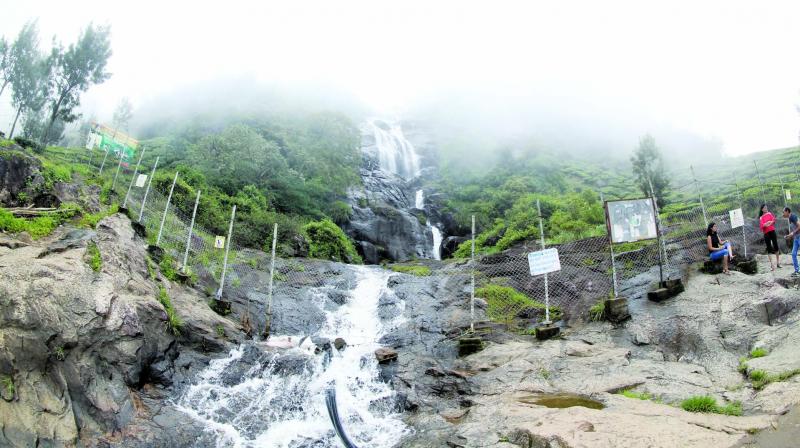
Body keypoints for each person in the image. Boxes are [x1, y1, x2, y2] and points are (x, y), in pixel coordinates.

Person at [759, 204, 781, 271]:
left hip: (772, 231)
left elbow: (773, 220)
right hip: (766, 233)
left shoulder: (769, 214)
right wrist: (766, 224)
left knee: (776, 246)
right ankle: (772, 265)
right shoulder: (761, 217)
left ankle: (778, 263)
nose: (766, 208)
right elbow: (762, 226)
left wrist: (769, 222)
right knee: (769, 248)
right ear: (762, 209)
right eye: (764, 208)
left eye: (766, 207)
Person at [782, 207, 800, 277]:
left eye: (783, 212)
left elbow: (799, 226)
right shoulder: (789, 219)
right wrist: (789, 236)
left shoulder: (793, 217)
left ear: (787, 211)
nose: (783, 214)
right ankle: (797, 270)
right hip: (796, 238)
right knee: (793, 254)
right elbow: (794, 230)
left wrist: (793, 233)